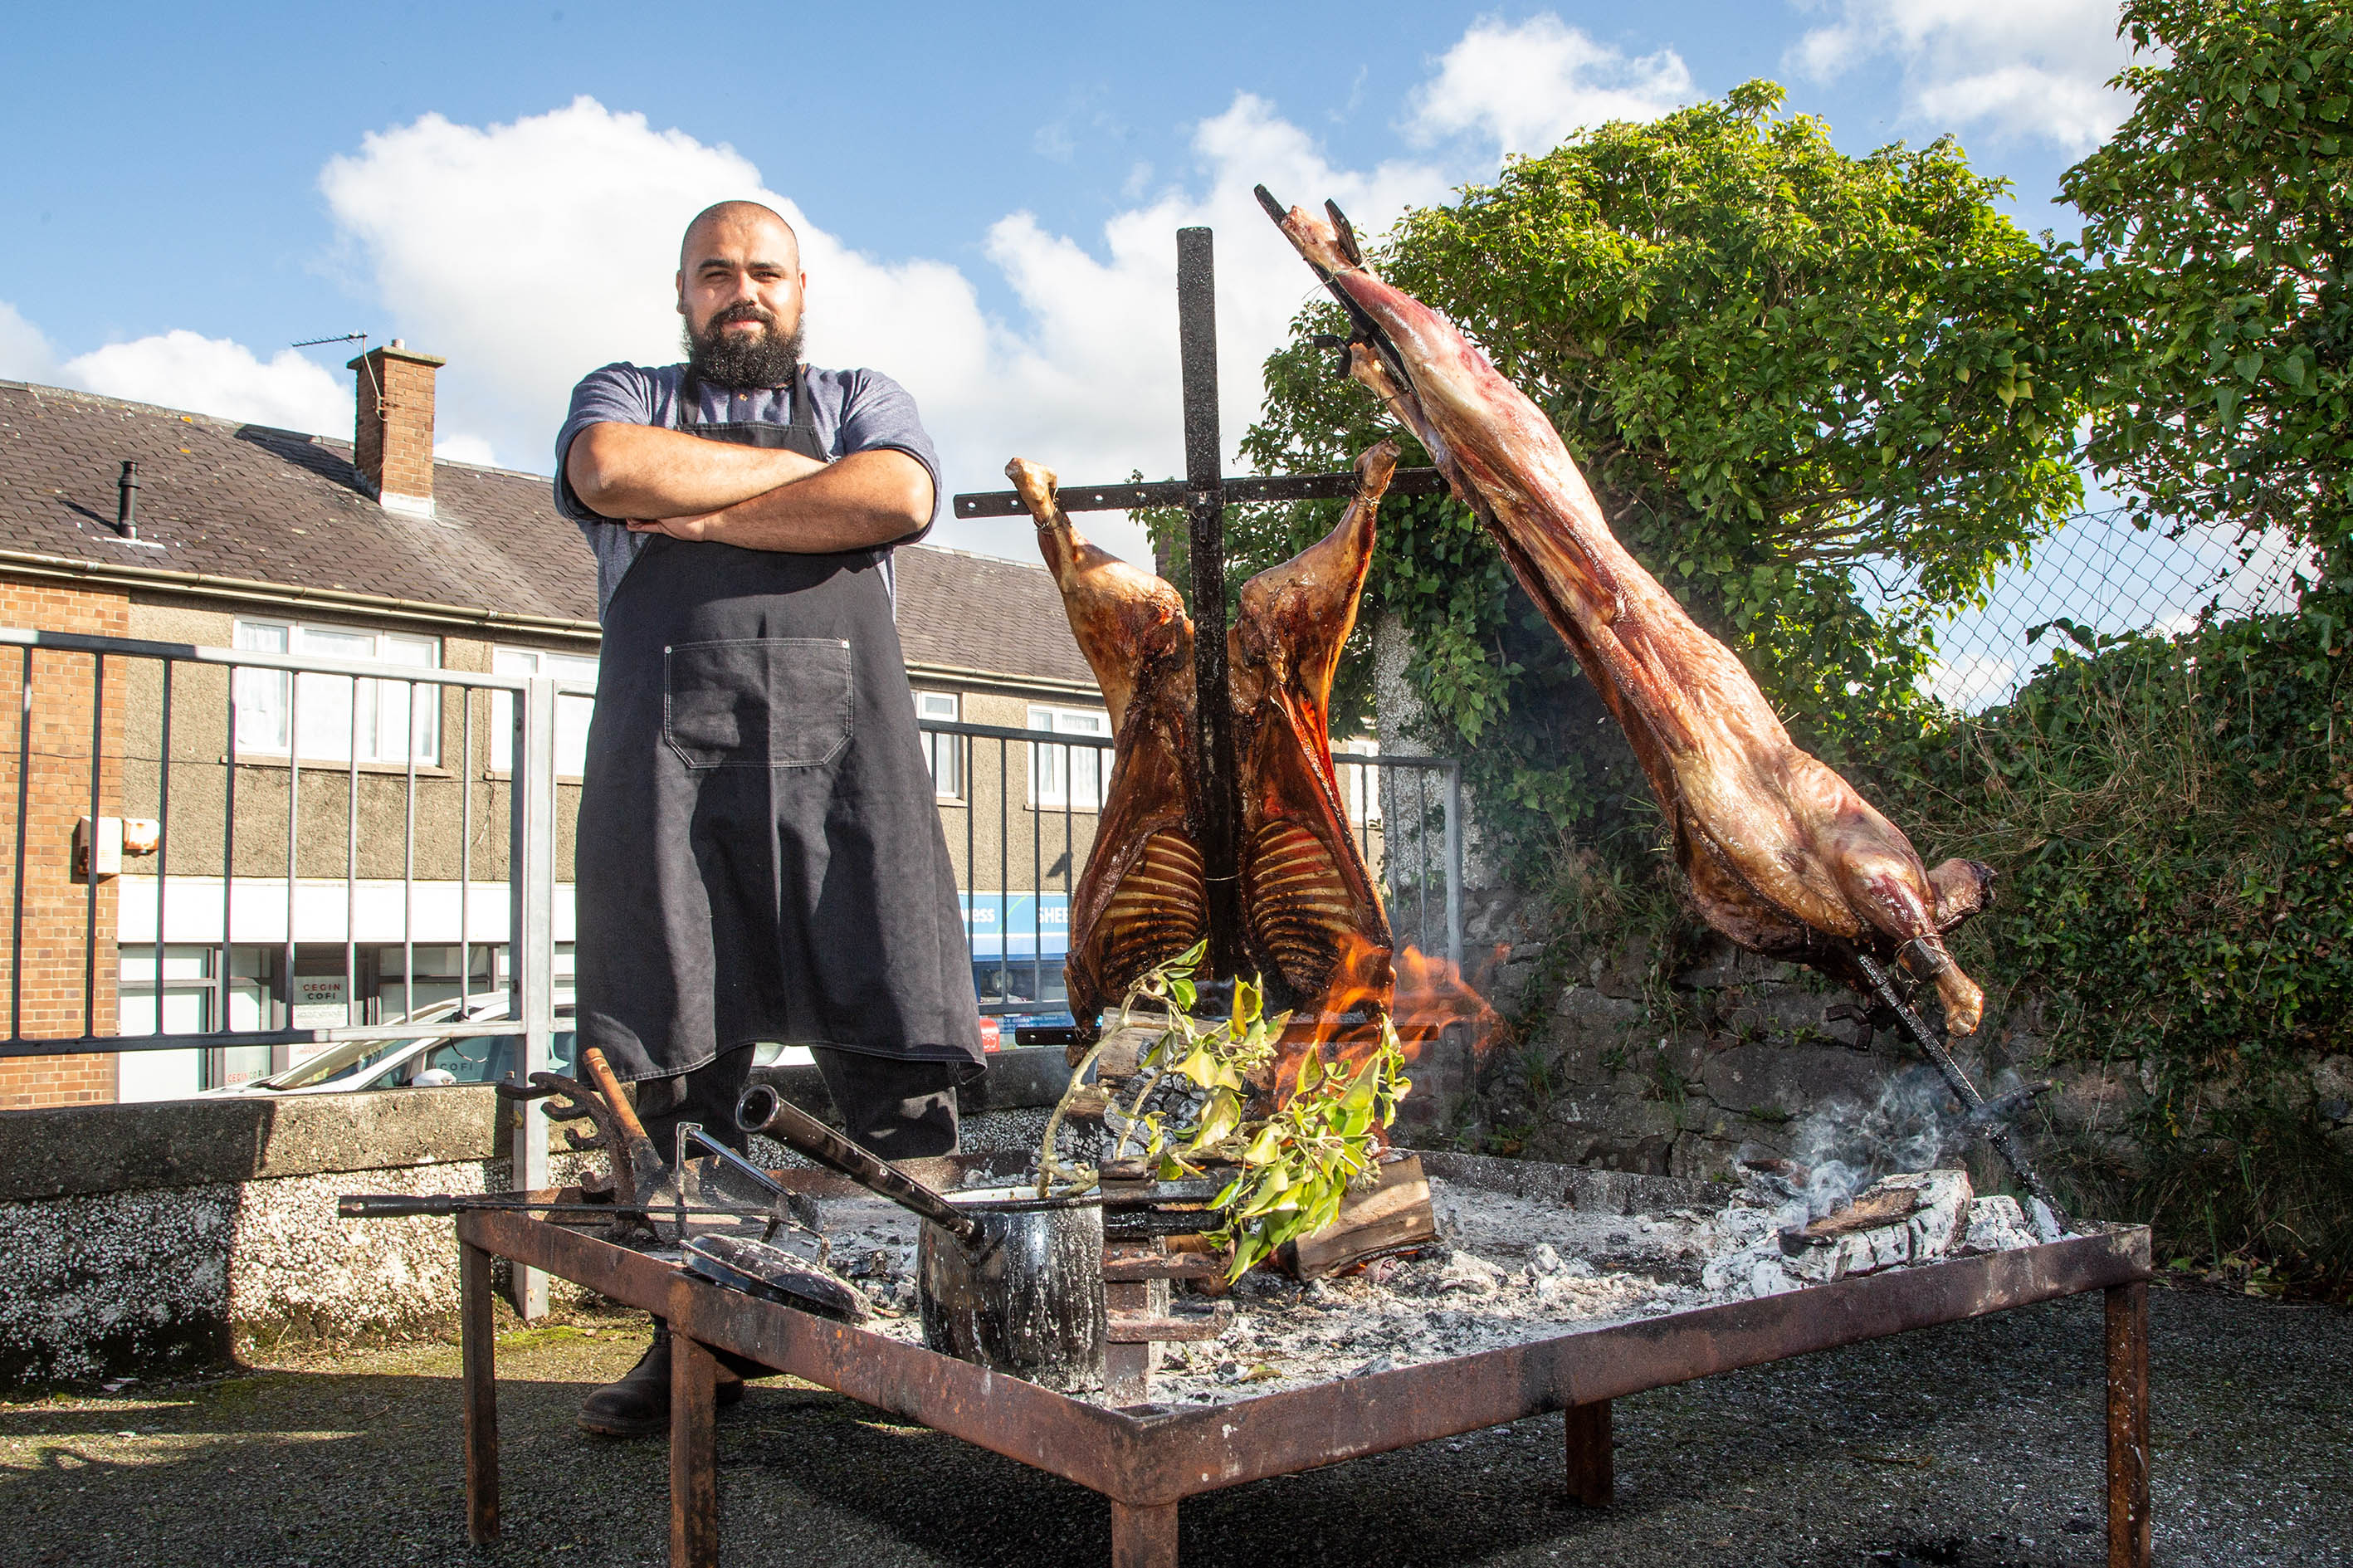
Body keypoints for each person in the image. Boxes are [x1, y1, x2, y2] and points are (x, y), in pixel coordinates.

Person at [554, 199, 984, 1435]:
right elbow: (611, 470)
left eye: (763, 272)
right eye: (714, 273)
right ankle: (702, 1345)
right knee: (683, 1063)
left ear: (803, 289)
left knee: (898, 1044)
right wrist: (807, 494)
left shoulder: (864, 396)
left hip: (852, 773)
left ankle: (940, 1332)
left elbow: (898, 496)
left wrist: (705, 510)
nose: (740, 291)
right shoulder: (628, 386)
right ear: (681, 291)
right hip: (675, 778)